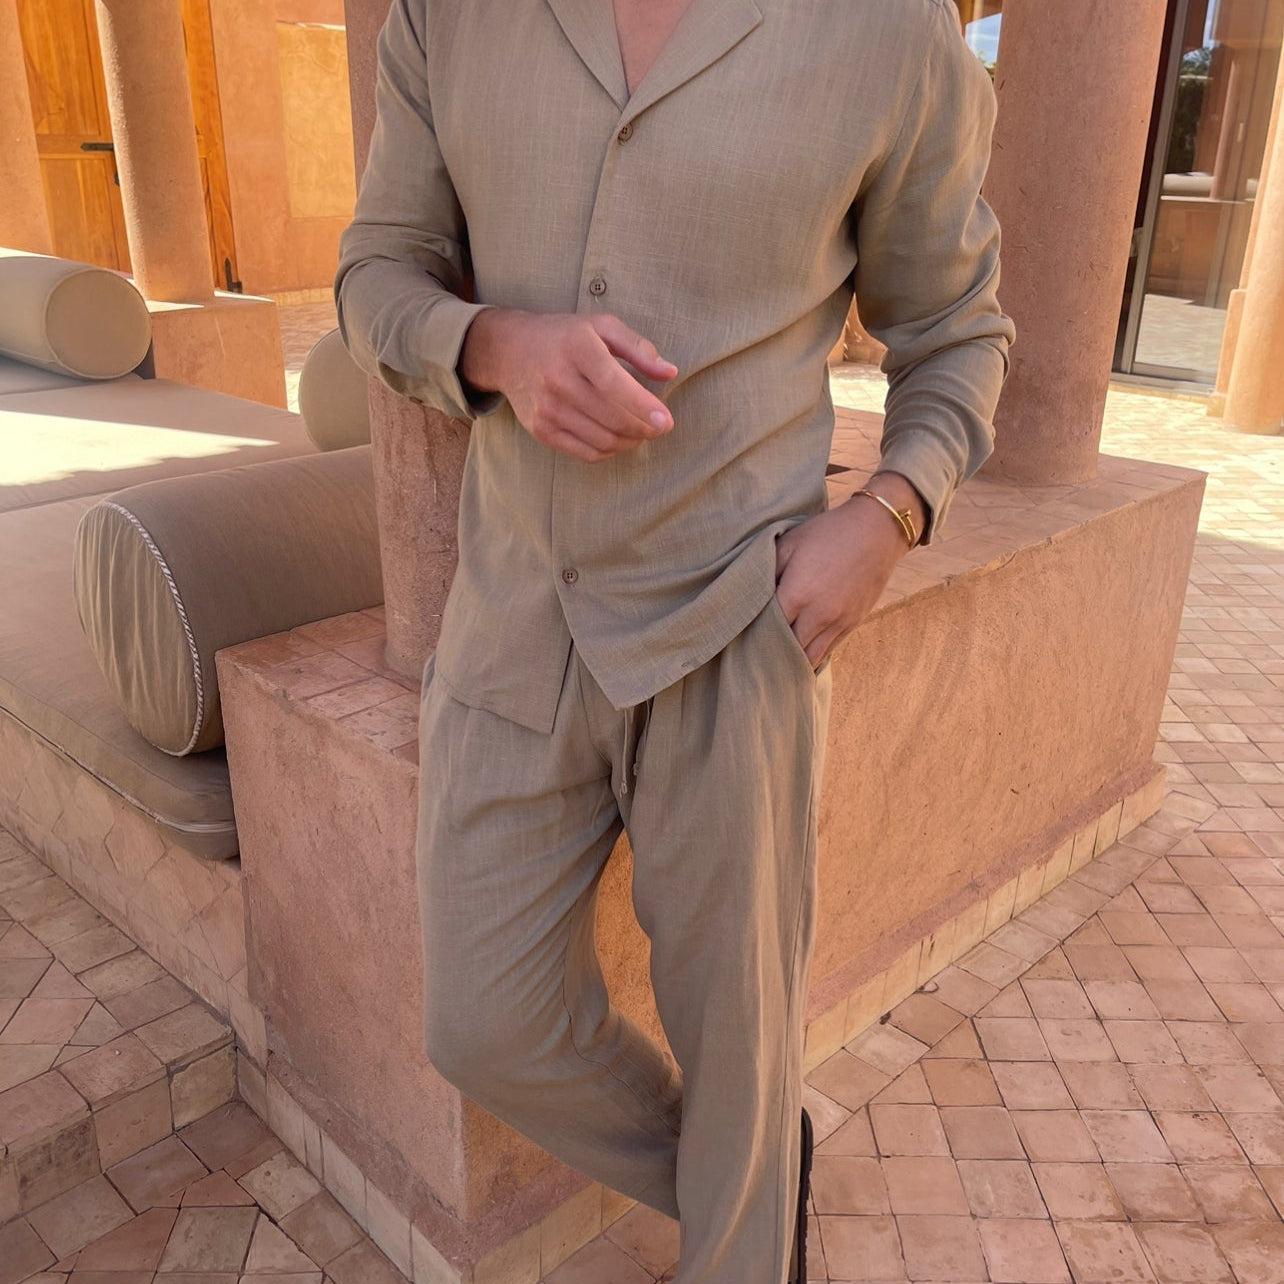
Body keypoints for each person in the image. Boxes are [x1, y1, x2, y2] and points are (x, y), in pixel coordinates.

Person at [335, 0, 1014, 1279]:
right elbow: (377, 272)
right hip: (514, 621)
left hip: (737, 620)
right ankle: (744, 1175)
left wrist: (890, 513)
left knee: (740, 1043)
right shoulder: (447, 16)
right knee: (484, 1024)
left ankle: (746, 1226)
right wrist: (491, 344)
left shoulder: (888, 35)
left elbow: (957, 329)